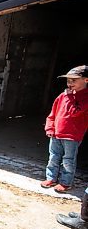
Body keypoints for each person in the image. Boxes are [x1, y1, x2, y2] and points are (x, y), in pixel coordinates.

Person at [40, 65, 88, 193]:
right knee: (53, 157)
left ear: (86, 80)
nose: (70, 83)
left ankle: (66, 183)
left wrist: (71, 96)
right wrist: (50, 128)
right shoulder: (62, 96)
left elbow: (74, 112)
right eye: (68, 80)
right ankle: (51, 178)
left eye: (74, 80)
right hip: (56, 133)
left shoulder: (84, 98)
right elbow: (53, 113)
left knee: (68, 160)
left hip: (72, 136)